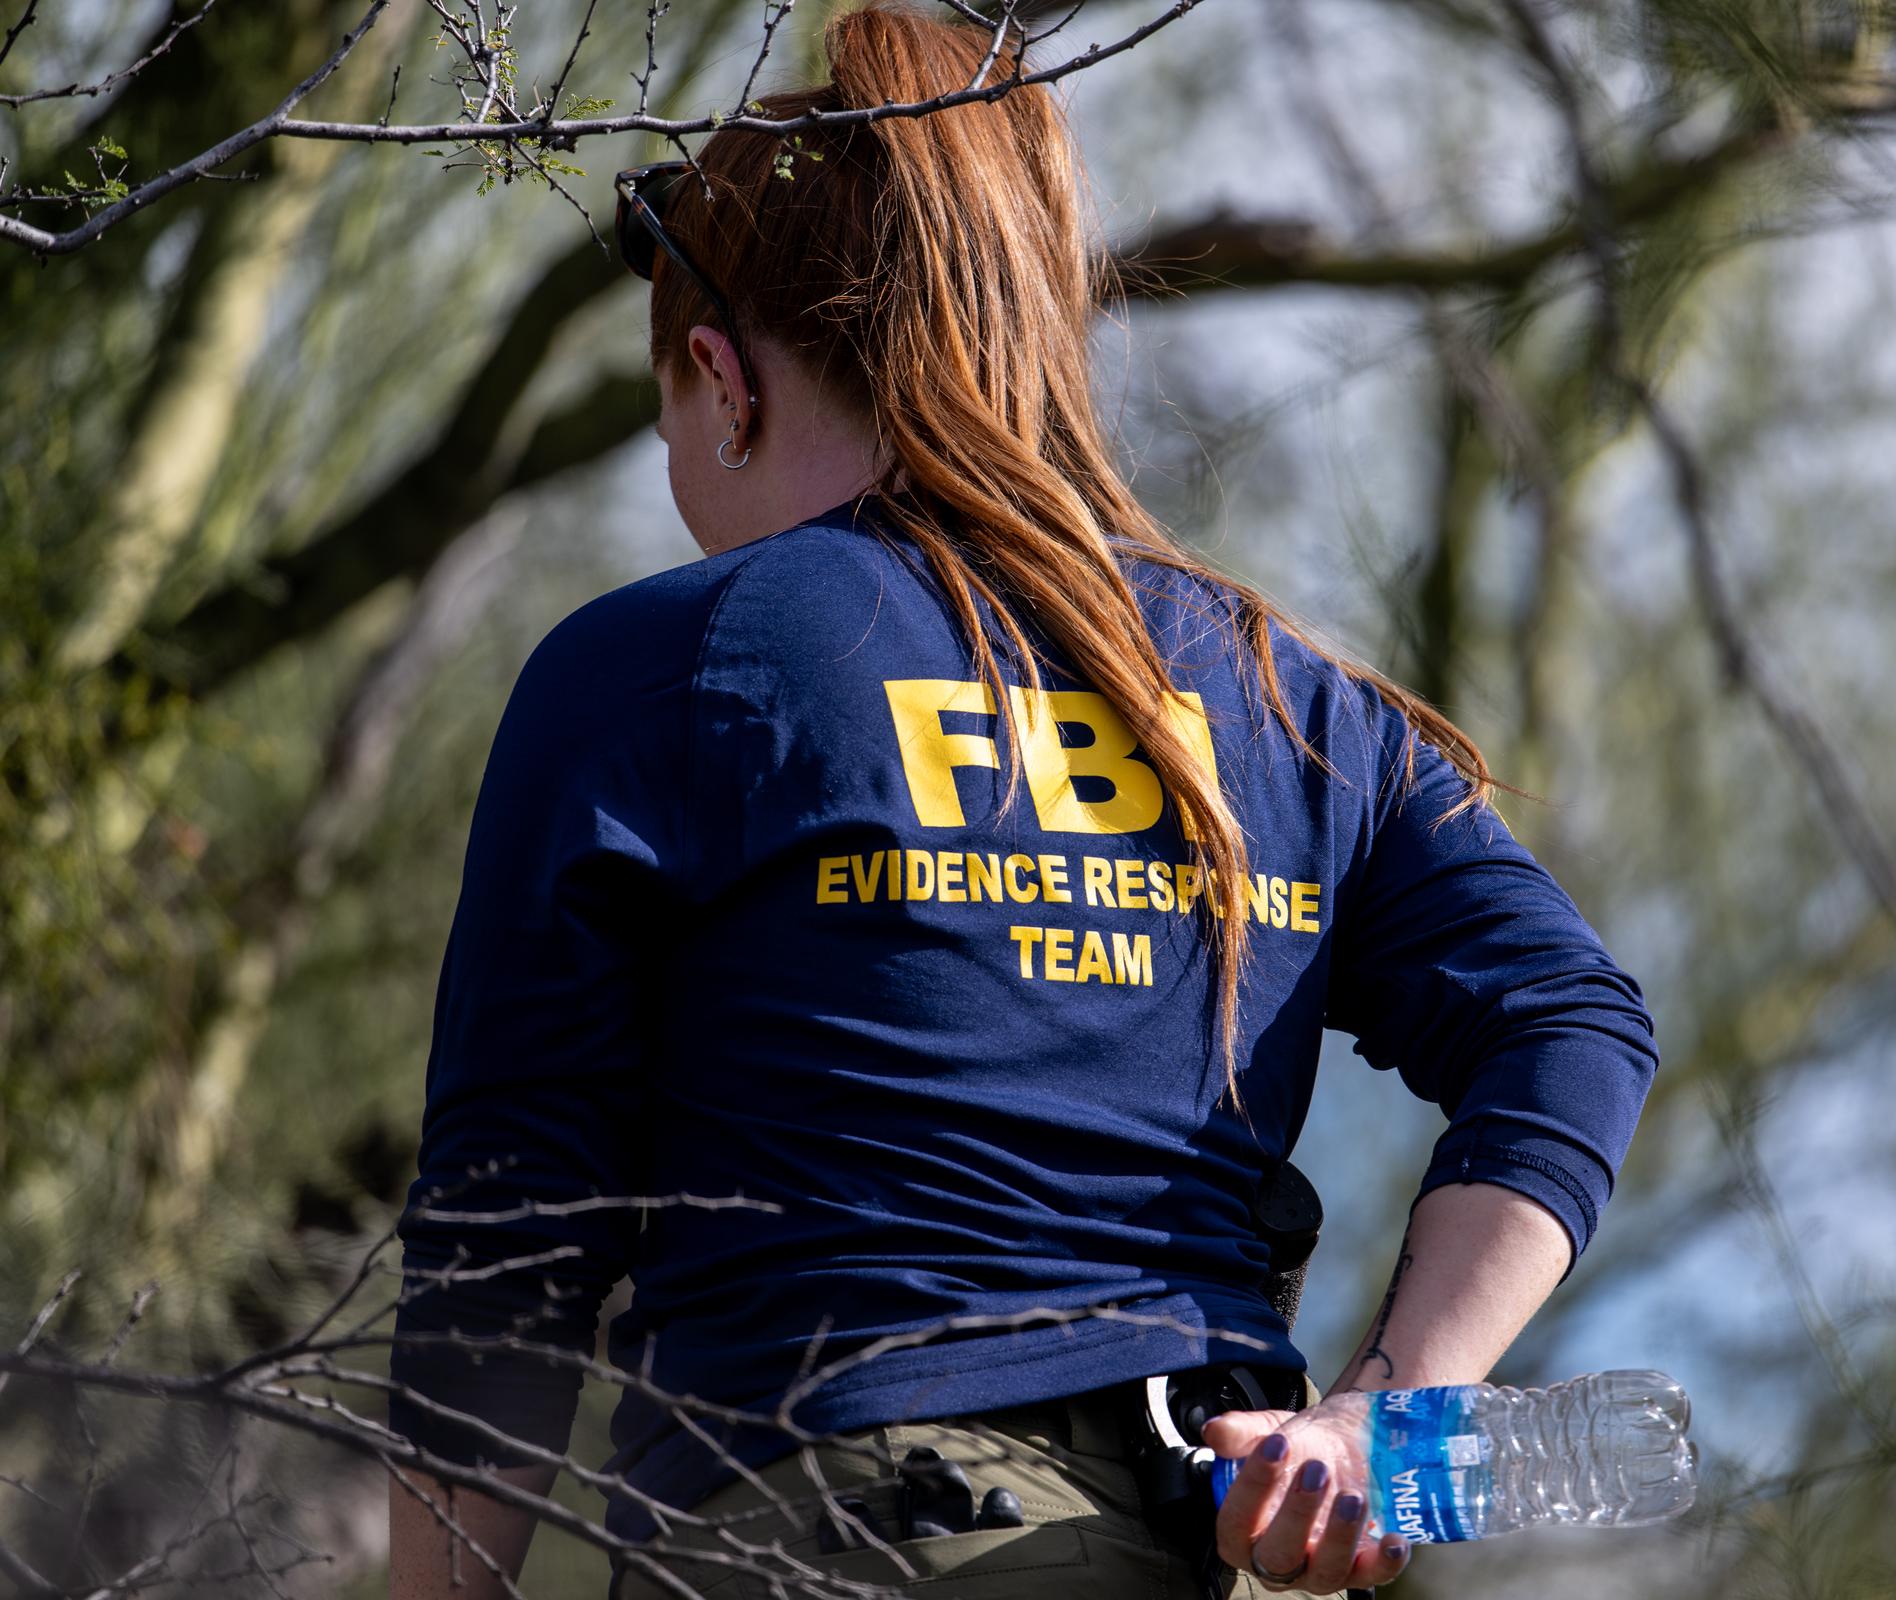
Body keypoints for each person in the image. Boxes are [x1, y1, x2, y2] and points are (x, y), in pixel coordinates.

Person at [382, 3, 1660, 1597]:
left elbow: (509, 1238)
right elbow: (1573, 1022)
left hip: (845, 1537)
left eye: (668, 425)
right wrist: (1382, 1417)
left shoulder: (663, 666)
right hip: (1206, 1543)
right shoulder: (1283, 693)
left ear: (720, 379)